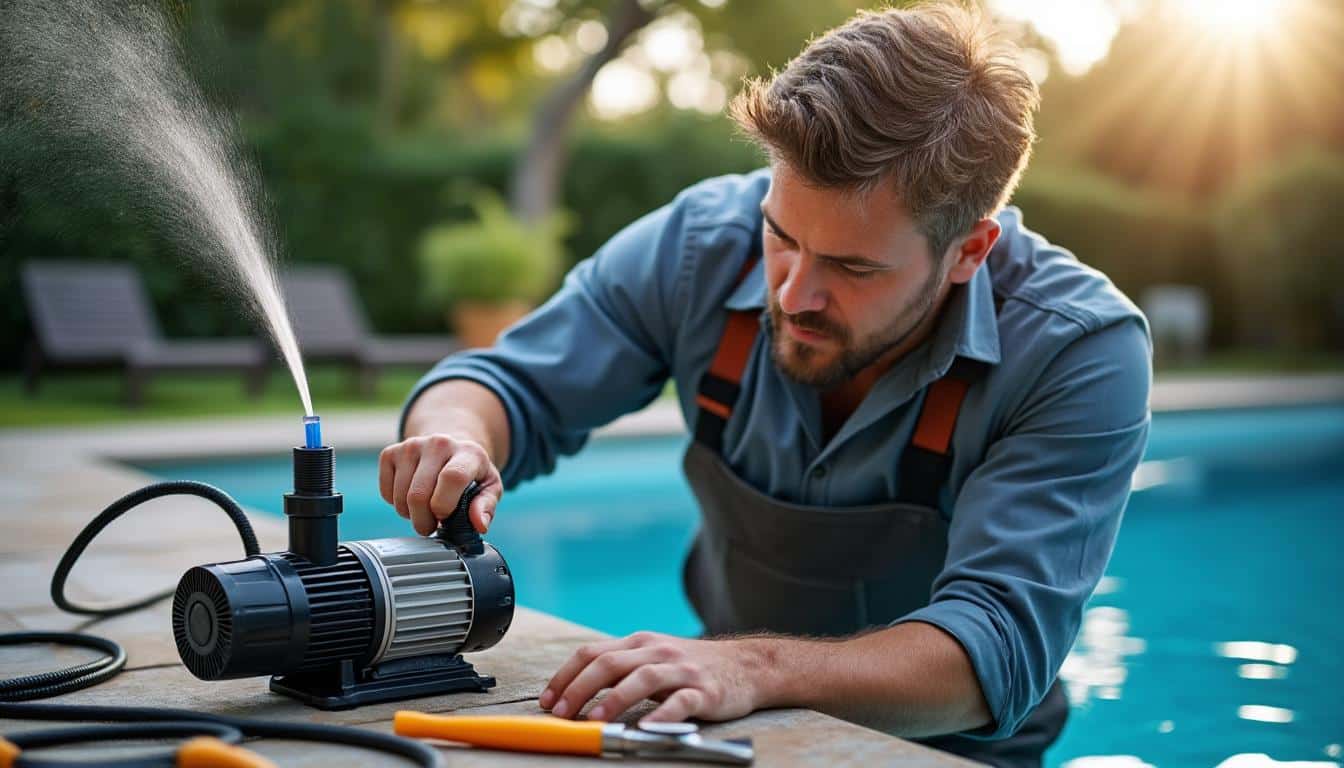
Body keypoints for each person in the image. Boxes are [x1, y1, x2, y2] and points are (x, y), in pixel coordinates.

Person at [379, 4, 1151, 766]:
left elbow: (996, 649)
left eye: (852, 267)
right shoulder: (701, 246)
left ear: (968, 253)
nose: (792, 294)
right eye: (781, 234)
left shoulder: (1078, 349)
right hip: (733, 729)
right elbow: (501, 383)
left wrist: (752, 667)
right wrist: (455, 437)